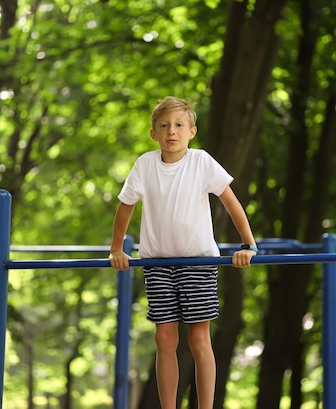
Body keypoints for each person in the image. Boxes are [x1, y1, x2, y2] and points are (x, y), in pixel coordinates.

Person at [108, 96, 258, 409]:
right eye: (163, 126)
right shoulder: (145, 165)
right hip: (159, 263)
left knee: (199, 338)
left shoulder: (201, 162)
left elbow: (231, 201)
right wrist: (117, 248)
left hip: (198, 261)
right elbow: (125, 206)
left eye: (178, 125)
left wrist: (248, 244)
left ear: (192, 131)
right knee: (164, 338)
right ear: (154, 134)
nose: (171, 131)